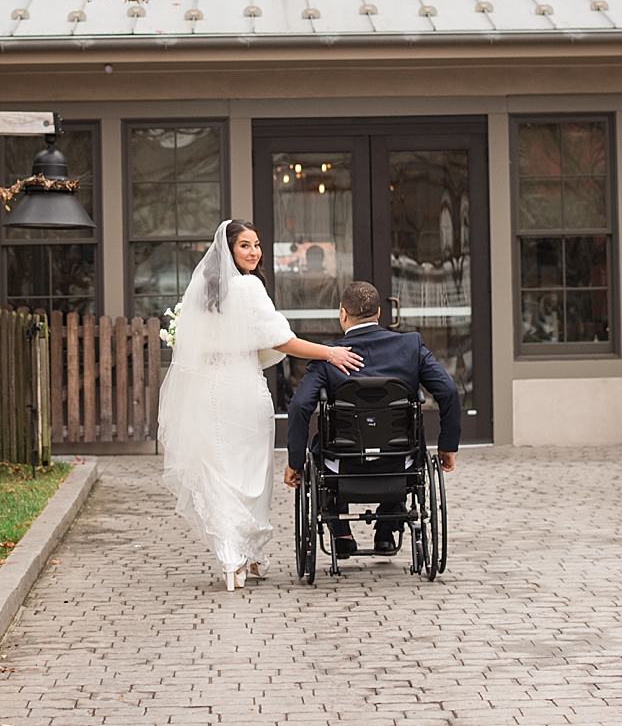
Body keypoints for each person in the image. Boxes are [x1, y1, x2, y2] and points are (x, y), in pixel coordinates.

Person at [158, 219, 363, 592]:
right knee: (251, 474)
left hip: (211, 391)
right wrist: (330, 353)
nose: (253, 252)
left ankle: (237, 558)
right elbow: (282, 340)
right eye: (245, 246)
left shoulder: (202, 292)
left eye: (256, 245)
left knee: (221, 470)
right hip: (244, 391)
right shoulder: (249, 287)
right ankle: (242, 556)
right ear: (229, 250)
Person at [283, 280, 460, 559]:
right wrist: (447, 447)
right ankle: (387, 529)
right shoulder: (410, 346)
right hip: (400, 460)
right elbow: (449, 392)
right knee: (405, 439)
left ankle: (341, 532)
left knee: (320, 445)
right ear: (379, 314)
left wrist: (295, 462)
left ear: (342, 314)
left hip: (341, 463)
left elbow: (299, 407)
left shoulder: (327, 357)